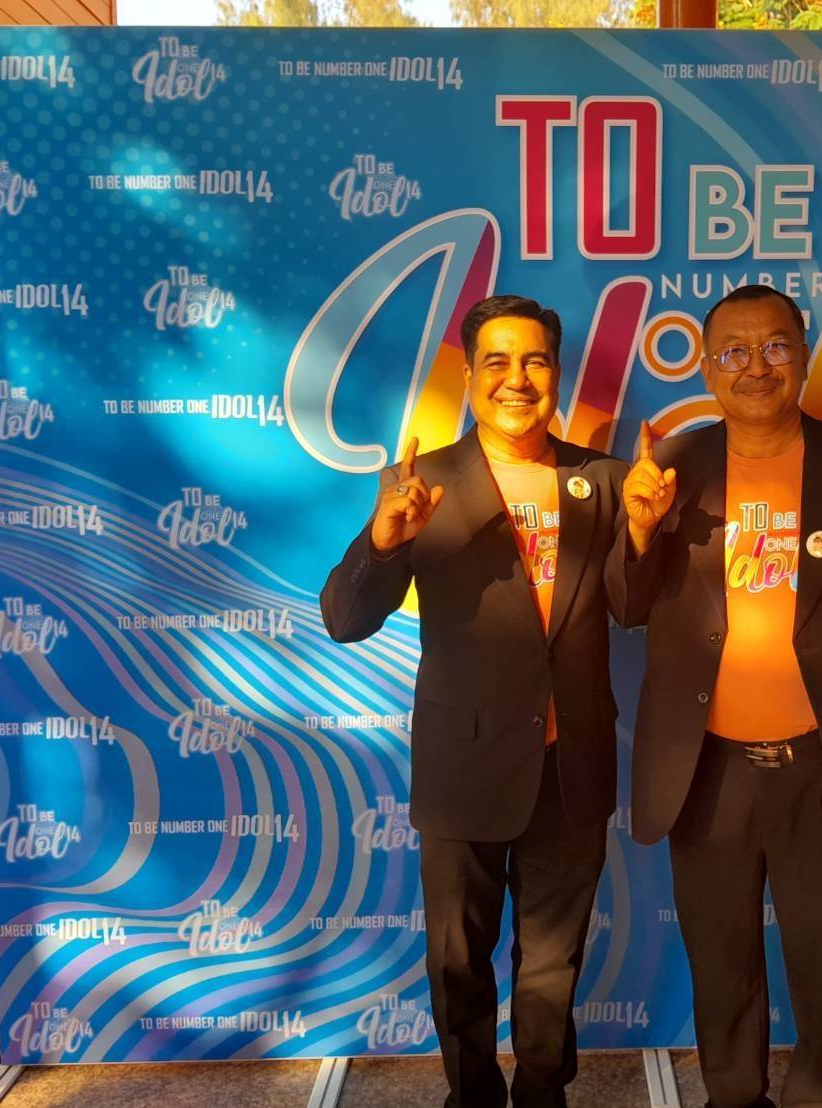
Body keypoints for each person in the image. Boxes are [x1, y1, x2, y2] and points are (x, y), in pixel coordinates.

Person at [608, 285, 822, 1108]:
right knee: (720, 967)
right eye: (733, 351)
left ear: (802, 355)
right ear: (707, 367)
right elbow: (626, 605)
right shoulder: (671, 465)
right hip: (705, 769)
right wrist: (640, 530)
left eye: (775, 346)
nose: (755, 366)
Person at [321, 295, 626, 1108]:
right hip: (464, 765)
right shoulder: (423, 483)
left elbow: (634, 605)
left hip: (571, 763)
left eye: (534, 361)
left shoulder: (603, 480)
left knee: (553, 962)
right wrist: (383, 540)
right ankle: (472, 1095)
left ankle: (542, 1091)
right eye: (496, 361)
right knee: (458, 959)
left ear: (555, 373)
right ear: (469, 375)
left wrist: (647, 533)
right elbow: (345, 619)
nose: (516, 378)